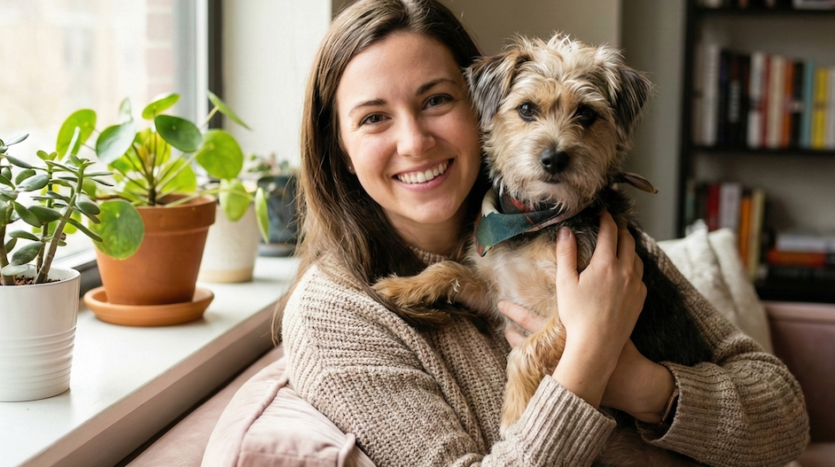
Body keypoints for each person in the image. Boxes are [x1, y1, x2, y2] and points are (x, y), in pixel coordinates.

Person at [278, 0, 809, 465]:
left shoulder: (596, 236)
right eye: (373, 118)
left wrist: (648, 388)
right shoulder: (337, 317)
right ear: (340, 151)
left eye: (436, 99)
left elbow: (784, 420)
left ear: (476, 108)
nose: (415, 142)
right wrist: (590, 362)